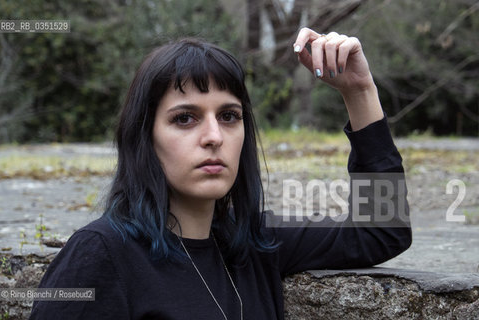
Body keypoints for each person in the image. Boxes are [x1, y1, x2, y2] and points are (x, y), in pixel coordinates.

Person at [29, 28, 411, 320]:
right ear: (145, 136)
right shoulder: (100, 255)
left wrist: (359, 92)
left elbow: (382, 228)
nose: (214, 137)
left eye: (229, 116)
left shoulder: (255, 244)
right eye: (185, 118)